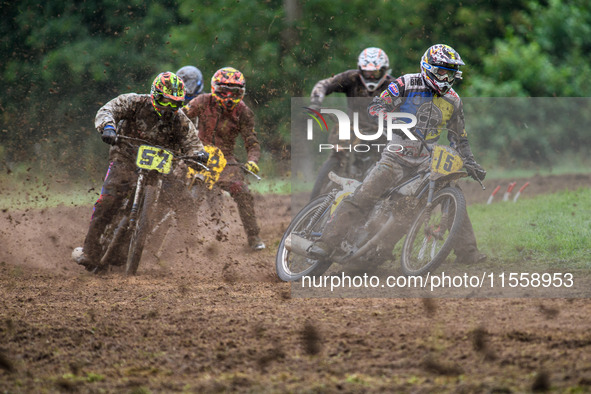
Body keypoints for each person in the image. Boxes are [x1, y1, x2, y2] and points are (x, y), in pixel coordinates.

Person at [311, 44, 487, 265]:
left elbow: (459, 136)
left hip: (426, 161)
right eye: (442, 71)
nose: (447, 76)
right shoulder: (405, 83)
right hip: (394, 156)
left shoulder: (454, 100)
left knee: (448, 190)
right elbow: (376, 106)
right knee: (365, 194)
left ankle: (468, 252)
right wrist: (395, 121)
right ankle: (325, 242)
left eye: (451, 72)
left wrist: (471, 163)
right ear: (429, 67)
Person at [74, 71, 209, 270]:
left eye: (175, 103)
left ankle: (188, 249)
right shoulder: (135, 102)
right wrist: (108, 127)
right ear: (155, 95)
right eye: (166, 101)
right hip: (126, 157)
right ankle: (89, 250)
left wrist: (198, 155)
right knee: (108, 199)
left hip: (161, 169)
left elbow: (192, 142)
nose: (170, 108)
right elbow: (108, 109)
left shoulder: (180, 119)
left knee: (185, 202)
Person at [185, 67, 266, 251]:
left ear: (242, 93)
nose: (229, 98)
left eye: (235, 93)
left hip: (225, 160)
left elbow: (252, 142)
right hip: (197, 151)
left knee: (242, 191)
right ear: (215, 89)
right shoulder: (203, 101)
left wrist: (252, 160)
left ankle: (253, 237)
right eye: (224, 92)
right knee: (171, 182)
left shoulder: (244, 111)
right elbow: (182, 118)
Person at [309, 47, 396, 199]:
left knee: (388, 165)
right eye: (367, 72)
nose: (371, 76)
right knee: (337, 148)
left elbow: (409, 103)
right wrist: (316, 102)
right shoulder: (351, 78)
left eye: (375, 73)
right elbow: (324, 84)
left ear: (384, 71)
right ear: (360, 70)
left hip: (381, 131)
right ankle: (333, 168)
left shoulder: (393, 85)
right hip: (353, 128)